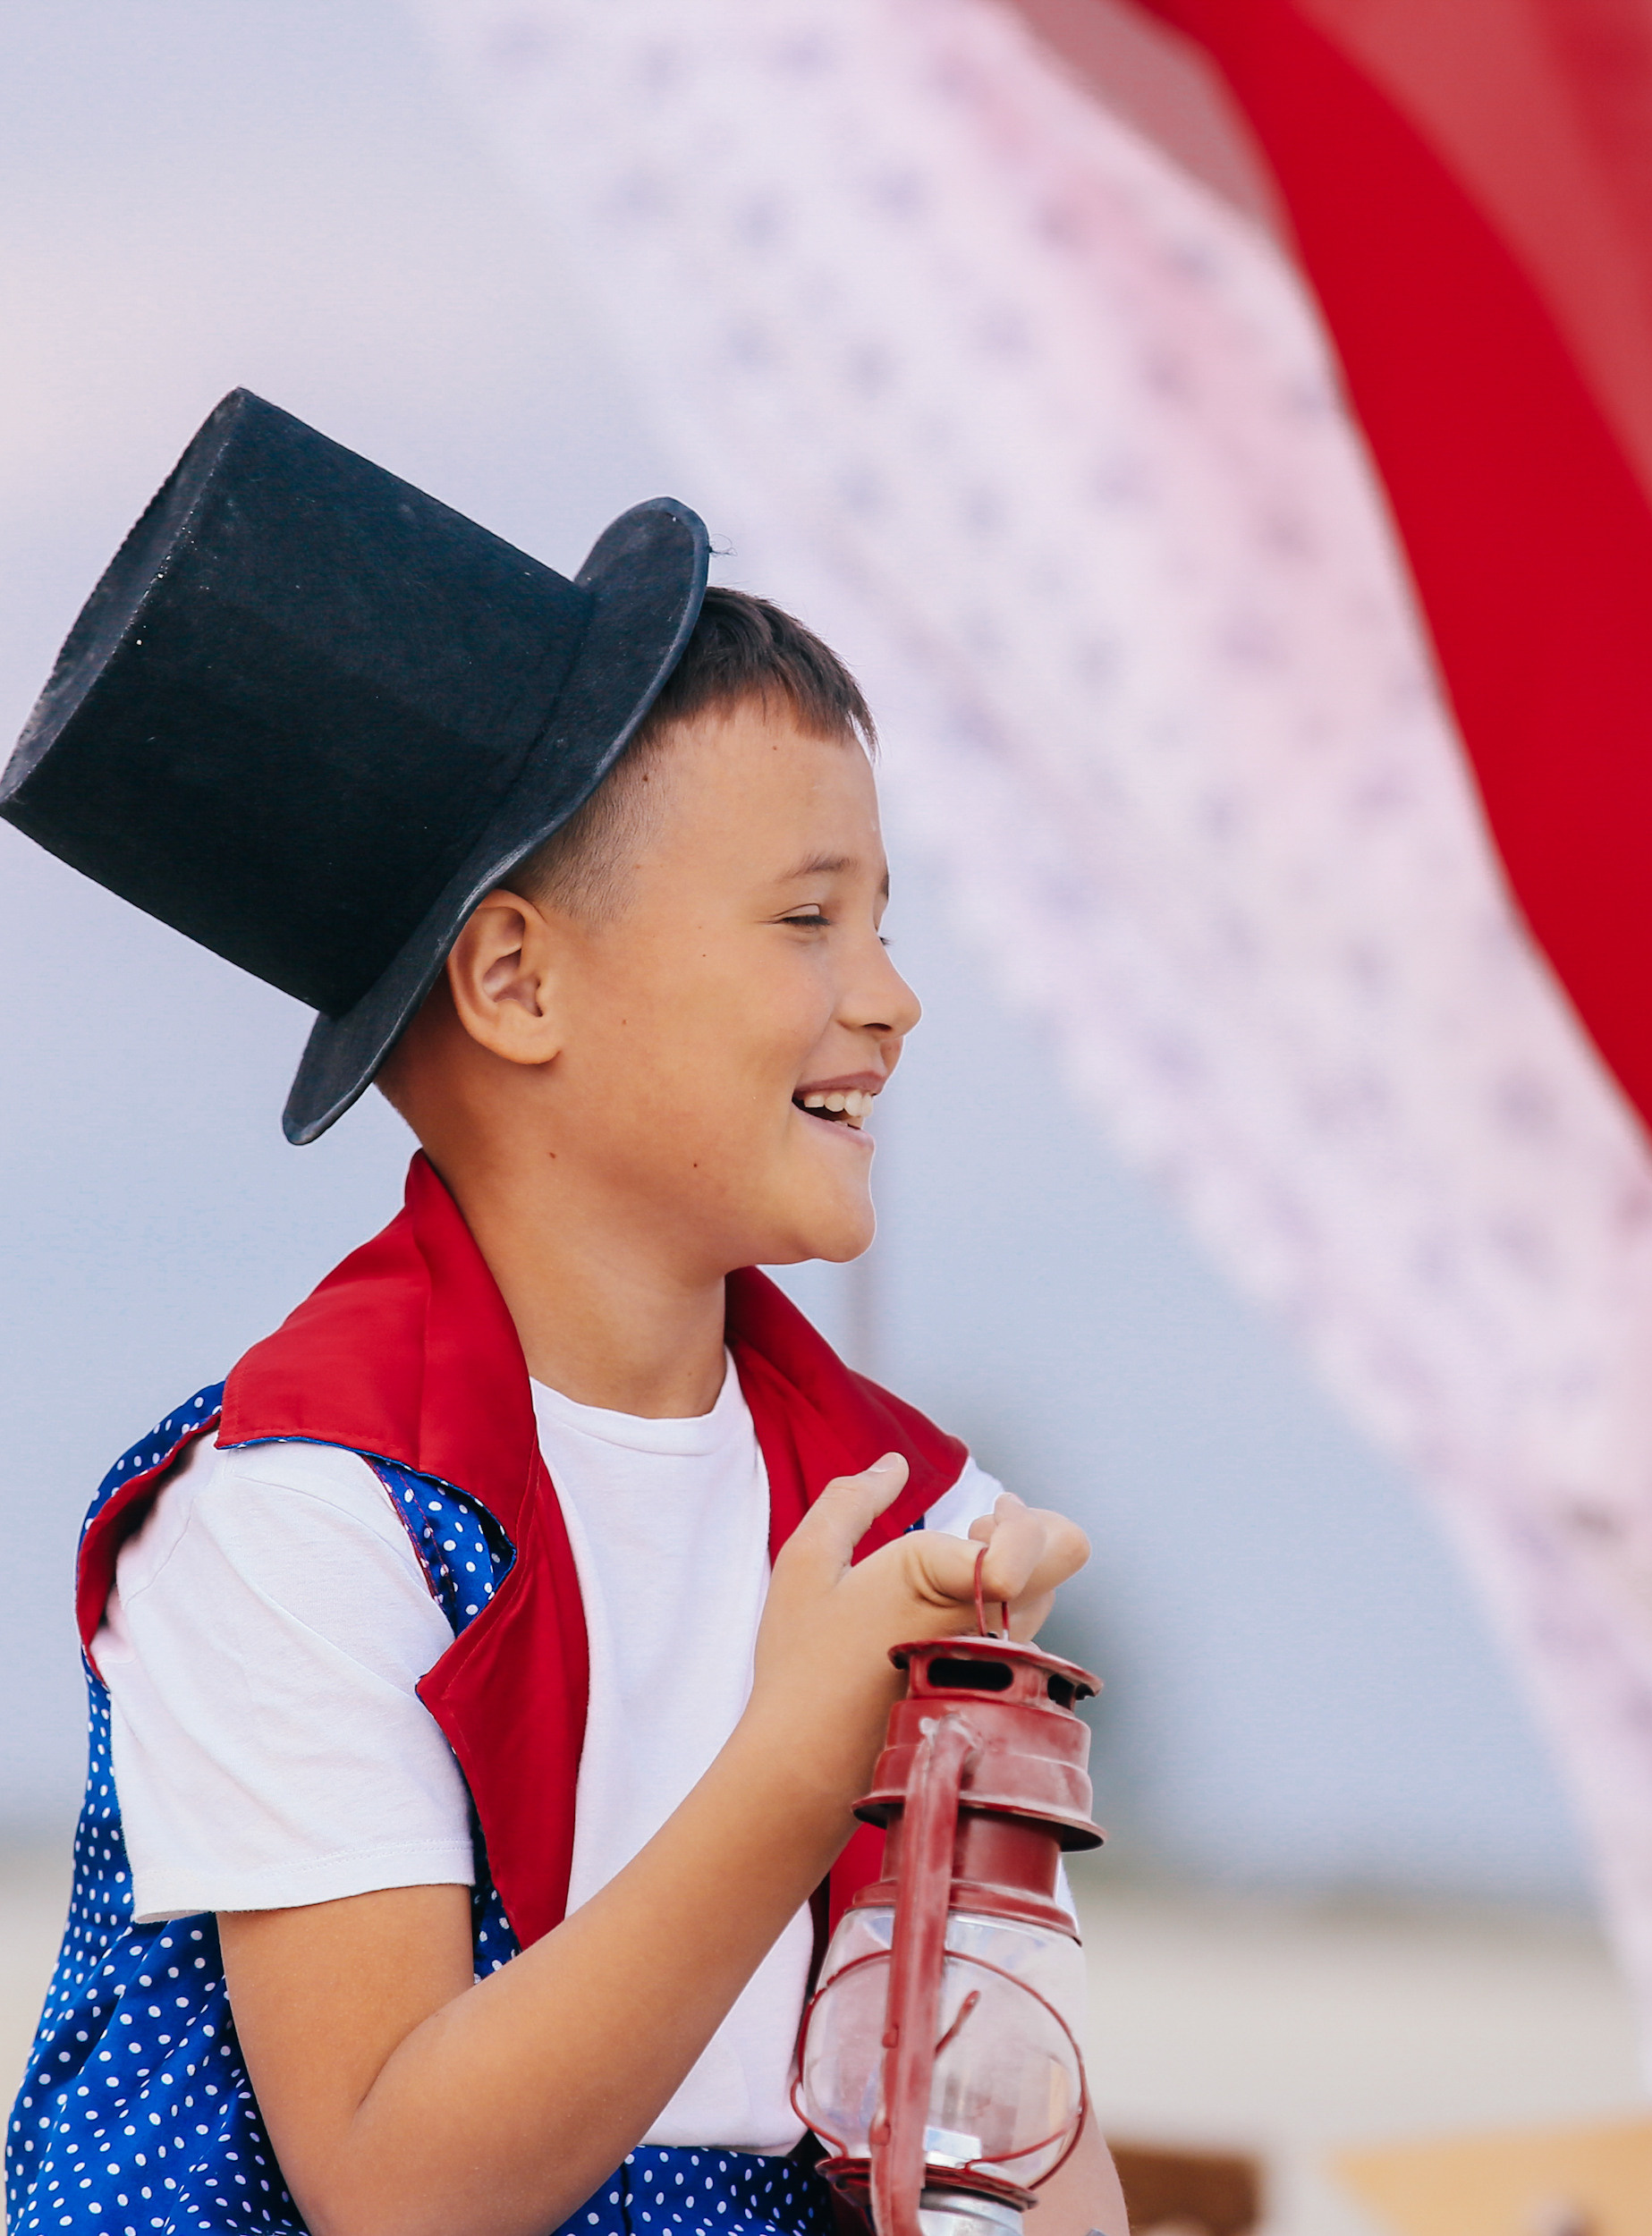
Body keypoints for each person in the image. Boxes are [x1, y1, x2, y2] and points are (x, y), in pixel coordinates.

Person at [1, 392, 1127, 2236]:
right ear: (517, 977)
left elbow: (1014, 2164)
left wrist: (962, 1769)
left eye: (886, 918)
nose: (894, 997)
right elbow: (398, 2186)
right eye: (805, 920)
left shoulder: (903, 1513)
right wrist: (801, 1750)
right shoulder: (300, 1513)